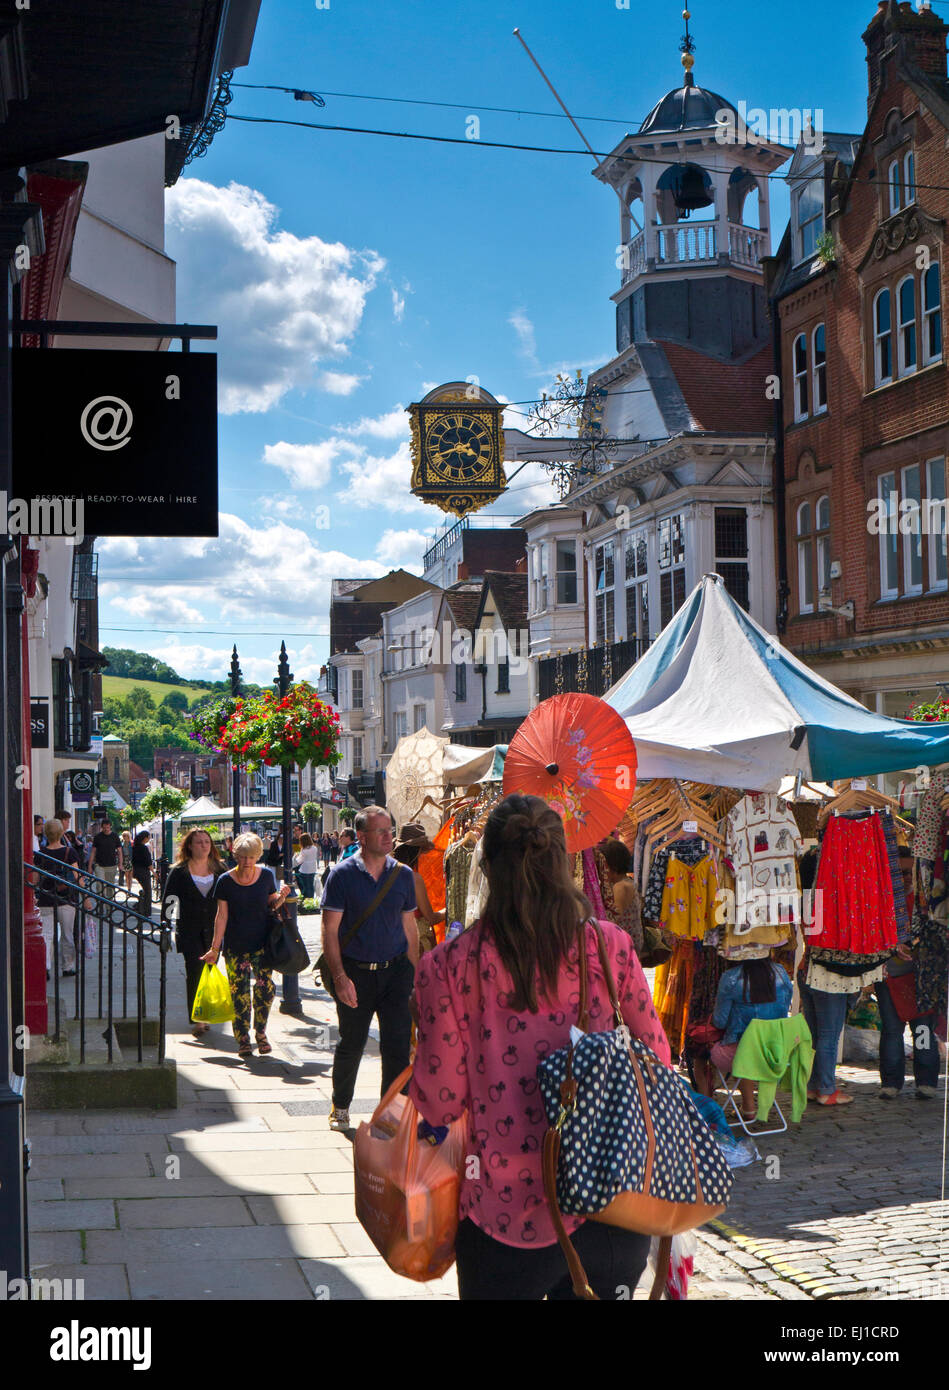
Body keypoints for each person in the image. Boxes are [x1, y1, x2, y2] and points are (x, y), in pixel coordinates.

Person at [410, 793, 672, 1301]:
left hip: (506, 1213)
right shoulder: (609, 946)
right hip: (612, 1198)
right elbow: (657, 1061)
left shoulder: (448, 967)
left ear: (486, 868)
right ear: (562, 863)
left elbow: (440, 1100)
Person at [320, 805, 418, 1131]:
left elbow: (410, 928)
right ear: (362, 837)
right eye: (382, 831)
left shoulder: (403, 875)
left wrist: (414, 974)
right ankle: (341, 1106)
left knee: (397, 1046)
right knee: (352, 1042)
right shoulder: (342, 875)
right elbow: (329, 930)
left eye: (390, 829)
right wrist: (340, 977)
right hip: (355, 972)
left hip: (395, 972)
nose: (390, 836)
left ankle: (390, 1114)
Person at [200, 832, 291, 1058]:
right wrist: (215, 948)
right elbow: (221, 916)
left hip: (262, 943)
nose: (246, 862)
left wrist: (282, 897)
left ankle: (260, 1031)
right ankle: (242, 1038)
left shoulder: (266, 877)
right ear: (235, 855)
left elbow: (272, 906)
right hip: (236, 945)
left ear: (258, 856)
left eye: (251, 857)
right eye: (242, 857)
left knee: (265, 989)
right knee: (238, 993)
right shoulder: (225, 881)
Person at [693, 957, 793, 1120]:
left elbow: (720, 1021)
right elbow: (785, 1006)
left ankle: (709, 1107)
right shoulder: (780, 971)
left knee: (700, 1053)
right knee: (748, 1047)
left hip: (742, 1054)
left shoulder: (731, 977)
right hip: (776, 1051)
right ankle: (754, 1104)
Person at [877, 845, 940, 1100]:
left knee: (923, 1030)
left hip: (921, 978)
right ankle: (890, 1083)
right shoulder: (882, 903)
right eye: (899, 872)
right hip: (889, 975)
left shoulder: (927, 903)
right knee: (892, 1031)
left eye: (907, 872)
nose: (903, 878)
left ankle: (925, 1082)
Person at [162, 829, 227, 1037]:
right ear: (189, 846)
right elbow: (170, 900)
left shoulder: (219, 869)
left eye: (207, 842)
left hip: (214, 930)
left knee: (209, 972)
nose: (204, 845)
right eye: (199, 842)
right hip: (189, 930)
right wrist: (166, 924)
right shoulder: (179, 871)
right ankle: (198, 1018)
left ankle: (205, 1013)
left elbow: (229, 898)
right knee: (195, 972)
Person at [31, 819, 81, 978]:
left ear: (46, 833)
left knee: (46, 935)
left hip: (46, 898)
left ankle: (45, 966)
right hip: (66, 899)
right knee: (67, 934)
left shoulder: (40, 854)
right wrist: (84, 895)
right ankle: (68, 966)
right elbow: (77, 876)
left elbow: (35, 878)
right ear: (61, 833)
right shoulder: (69, 852)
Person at [392, 821, 445, 954]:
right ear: (416, 852)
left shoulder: (385, 873)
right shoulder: (413, 878)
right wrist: (450, 909)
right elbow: (430, 917)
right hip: (413, 946)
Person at [599, 837, 644, 956]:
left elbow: (614, 917)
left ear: (611, 866)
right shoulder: (627, 882)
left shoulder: (620, 887)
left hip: (624, 945)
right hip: (630, 943)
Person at [89, 818, 123, 898]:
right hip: (99, 865)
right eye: (104, 827)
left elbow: (119, 851)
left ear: (110, 826)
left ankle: (109, 907)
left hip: (111, 865)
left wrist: (120, 864)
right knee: (100, 885)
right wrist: (90, 866)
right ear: (102, 827)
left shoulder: (115, 836)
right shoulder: (98, 837)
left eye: (107, 827)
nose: (106, 829)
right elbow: (93, 852)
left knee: (110, 887)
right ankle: (100, 905)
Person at [129, 830, 154, 918]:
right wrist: (154, 872)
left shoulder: (135, 847)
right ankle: (145, 910)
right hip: (144, 871)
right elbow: (148, 862)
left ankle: (139, 906)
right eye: (148, 837)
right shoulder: (144, 848)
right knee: (148, 891)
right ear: (145, 838)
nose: (149, 839)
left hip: (137, 871)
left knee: (145, 890)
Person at [293, 832, 319, 900]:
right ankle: (311, 900)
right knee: (311, 885)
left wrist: (295, 856)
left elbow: (299, 861)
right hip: (313, 868)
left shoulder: (304, 850)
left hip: (305, 869)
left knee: (305, 887)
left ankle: (306, 900)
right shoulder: (314, 848)